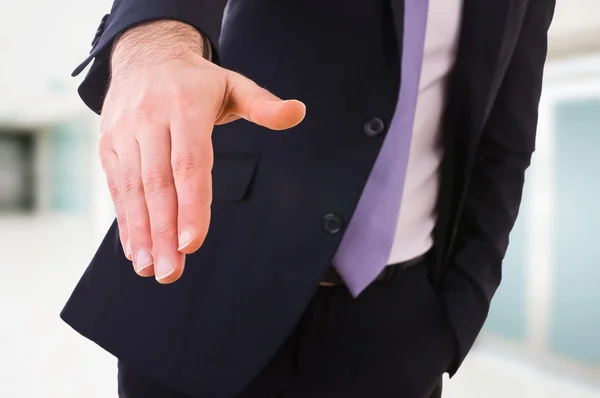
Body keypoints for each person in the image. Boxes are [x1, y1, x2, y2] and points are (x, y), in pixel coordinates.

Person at [61, 0, 556, 397]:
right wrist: (156, 43)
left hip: (398, 326)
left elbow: (503, 147)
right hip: (206, 291)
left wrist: (454, 319)